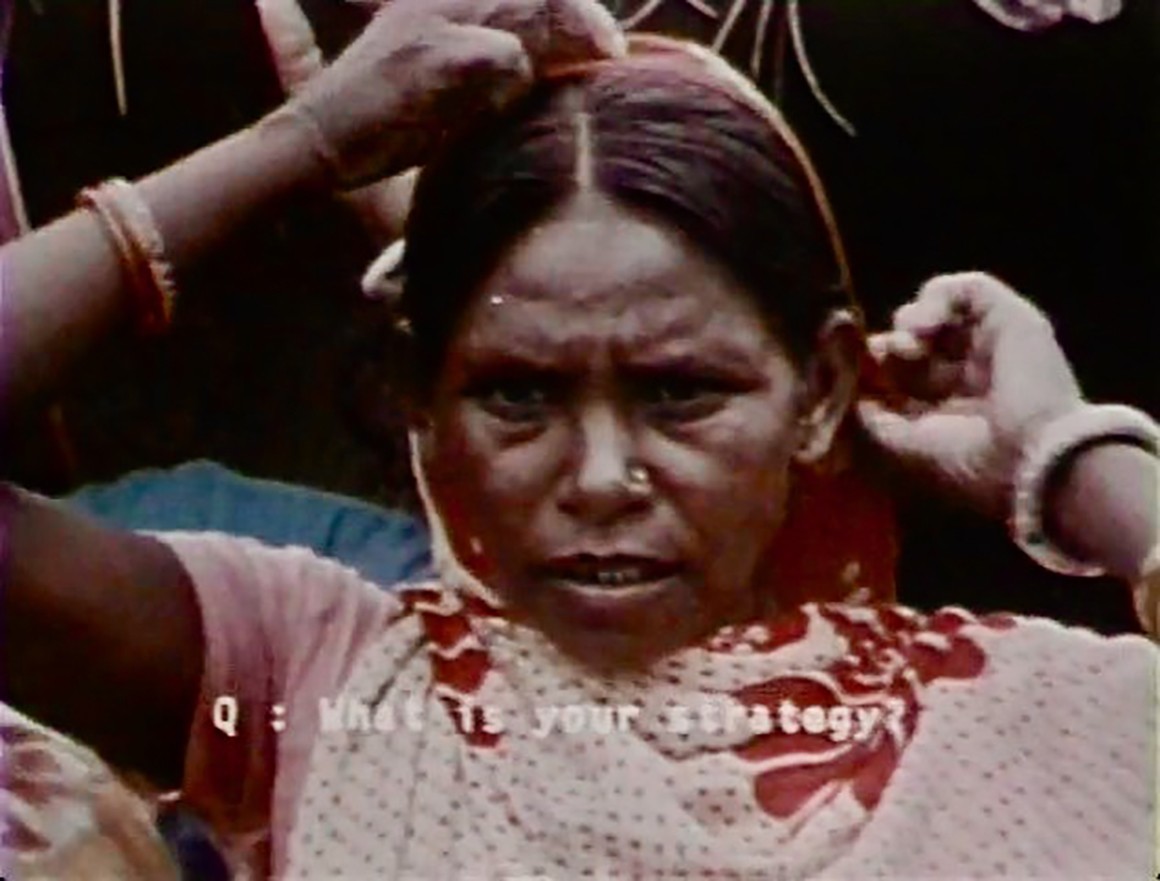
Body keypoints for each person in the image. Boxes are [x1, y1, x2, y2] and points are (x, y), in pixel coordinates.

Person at [1, 3, 1157, 879]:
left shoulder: (1031, 712)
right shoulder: (318, 676)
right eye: (517, 395)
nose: (601, 477)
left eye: (681, 393)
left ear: (818, 390)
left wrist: (1068, 464)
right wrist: (296, 141)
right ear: (421, 404)